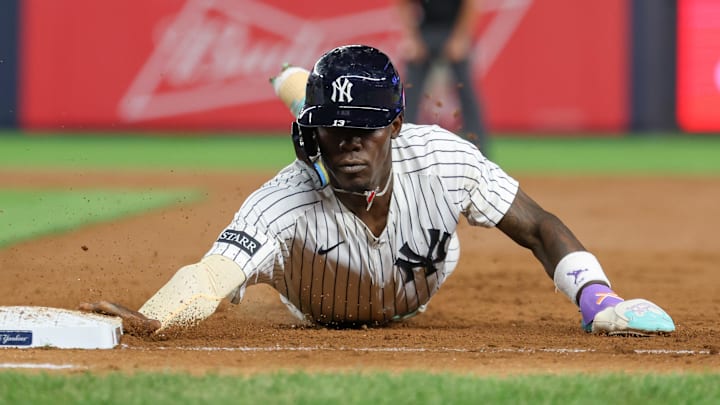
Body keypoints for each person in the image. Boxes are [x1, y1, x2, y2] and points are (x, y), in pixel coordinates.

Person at [80, 45, 674, 337]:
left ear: (395, 125)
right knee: (251, 258)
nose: (348, 143)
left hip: (417, 288)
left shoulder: (442, 157)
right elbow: (210, 274)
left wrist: (598, 300)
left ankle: (298, 87)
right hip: (315, 304)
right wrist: (152, 319)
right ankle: (300, 93)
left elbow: (539, 225)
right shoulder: (280, 203)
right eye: (332, 131)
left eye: (364, 128)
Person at [396, 0, 488, 154]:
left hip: (454, 28)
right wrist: (412, 37)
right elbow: (403, 4)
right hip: (425, 30)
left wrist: (461, 37)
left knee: (467, 94)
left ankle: (480, 153)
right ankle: (399, 147)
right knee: (408, 94)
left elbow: (471, 4)